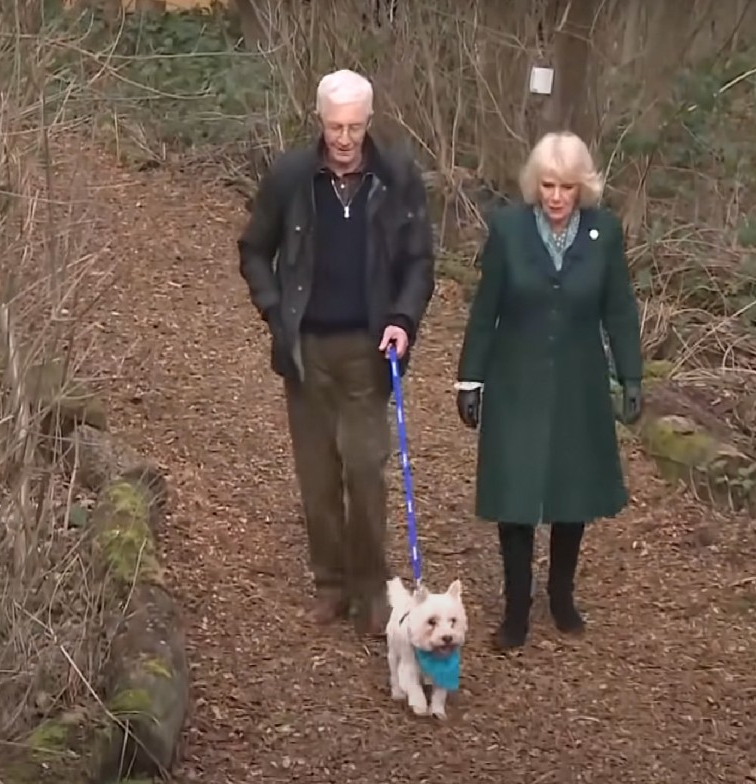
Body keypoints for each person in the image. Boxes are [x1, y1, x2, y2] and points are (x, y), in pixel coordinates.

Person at [238, 69, 435, 637]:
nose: (344, 139)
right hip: (305, 350)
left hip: (369, 347)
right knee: (317, 475)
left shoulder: (397, 176)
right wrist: (275, 311)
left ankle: (373, 590)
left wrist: (403, 319)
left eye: (353, 127)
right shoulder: (291, 177)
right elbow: (254, 249)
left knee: (366, 470)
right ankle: (330, 584)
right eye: (334, 127)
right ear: (319, 122)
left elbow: (419, 261)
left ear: (369, 121)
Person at [454, 131, 643, 650]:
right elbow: (485, 310)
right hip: (516, 378)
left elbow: (619, 309)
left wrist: (631, 376)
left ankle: (561, 595)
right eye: (548, 185)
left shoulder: (604, 232)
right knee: (514, 494)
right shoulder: (508, 229)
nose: (557, 197)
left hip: (579, 382)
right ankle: (516, 608)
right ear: (535, 185)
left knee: (570, 491)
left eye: (566, 187)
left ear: (583, 187)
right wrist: (470, 378)